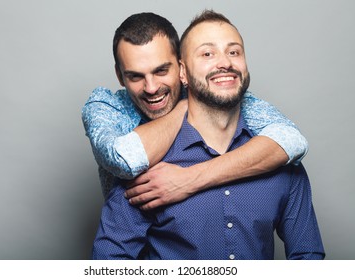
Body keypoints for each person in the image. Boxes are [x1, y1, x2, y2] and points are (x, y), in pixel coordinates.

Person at [92, 10, 325, 260]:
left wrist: (190, 179)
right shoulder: (148, 171)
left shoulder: (279, 157)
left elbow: (308, 257)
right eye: (207, 53)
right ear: (183, 73)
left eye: (234, 52)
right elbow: (110, 263)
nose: (225, 62)